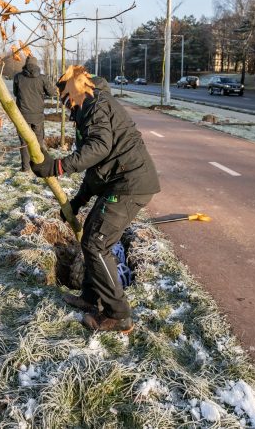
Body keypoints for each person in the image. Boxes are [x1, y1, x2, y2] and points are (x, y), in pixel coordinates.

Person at [30, 68, 160, 333]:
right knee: (91, 234)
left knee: (96, 243)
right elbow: (96, 167)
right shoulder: (89, 107)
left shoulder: (95, 103)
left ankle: (118, 315)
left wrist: (57, 167)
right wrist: (78, 201)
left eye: (65, 98)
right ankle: (92, 297)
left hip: (130, 184)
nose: (65, 105)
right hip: (120, 180)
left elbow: (99, 148)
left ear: (75, 89)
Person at [13, 56, 56, 172]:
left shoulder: (18, 77)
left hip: (22, 115)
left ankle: (25, 168)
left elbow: (16, 93)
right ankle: (39, 166)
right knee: (38, 140)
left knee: (24, 142)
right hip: (38, 116)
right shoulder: (43, 78)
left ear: (25, 65)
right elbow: (52, 93)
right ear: (37, 65)